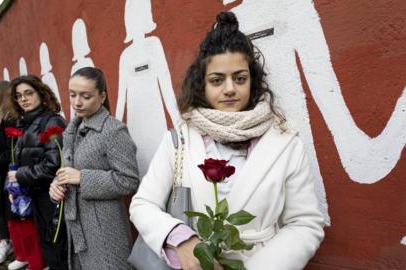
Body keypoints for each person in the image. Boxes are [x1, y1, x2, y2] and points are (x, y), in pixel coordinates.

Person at [129, 12, 325, 270]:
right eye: (217, 80)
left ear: (252, 81)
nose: (230, 88)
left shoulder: (285, 140)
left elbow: (304, 223)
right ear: (203, 85)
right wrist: (183, 242)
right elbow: (143, 204)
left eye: (240, 78)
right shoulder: (179, 139)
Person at [49, 67, 140, 269]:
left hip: (105, 230)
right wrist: (56, 184)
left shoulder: (113, 130)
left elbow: (129, 180)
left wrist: (82, 178)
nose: (77, 102)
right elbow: (68, 171)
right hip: (77, 225)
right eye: (72, 95)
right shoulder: (72, 130)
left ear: (102, 96)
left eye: (86, 96)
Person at [9, 75, 68, 270]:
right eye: (19, 96)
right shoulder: (25, 123)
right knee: (46, 244)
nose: (24, 99)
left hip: (53, 196)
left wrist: (20, 176)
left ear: (41, 94)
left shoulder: (51, 122)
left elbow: (54, 164)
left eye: (28, 93)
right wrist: (14, 186)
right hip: (35, 194)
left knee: (58, 246)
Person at [0, 81, 21, 267]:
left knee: (15, 211)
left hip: (9, 173)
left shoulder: (9, 117)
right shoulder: (2, 116)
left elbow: (12, 151)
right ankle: (17, 248)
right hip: (2, 173)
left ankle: (24, 252)